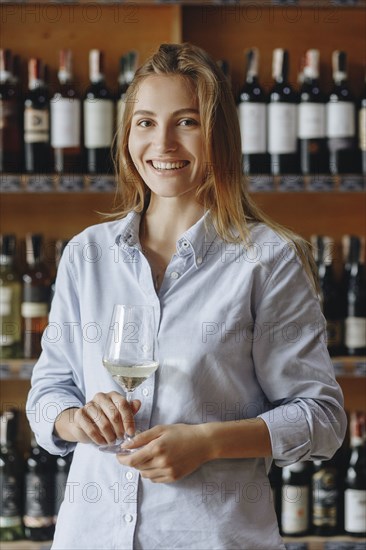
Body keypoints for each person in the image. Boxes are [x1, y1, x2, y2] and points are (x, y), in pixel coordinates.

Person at [27, 43, 347, 550]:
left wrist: (207, 443)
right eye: (146, 122)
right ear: (127, 134)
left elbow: (322, 418)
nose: (164, 142)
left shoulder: (267, 260)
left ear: (218, 136)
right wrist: (76, 420)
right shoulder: (86, 255)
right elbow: (47, 394)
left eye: (187, 122)